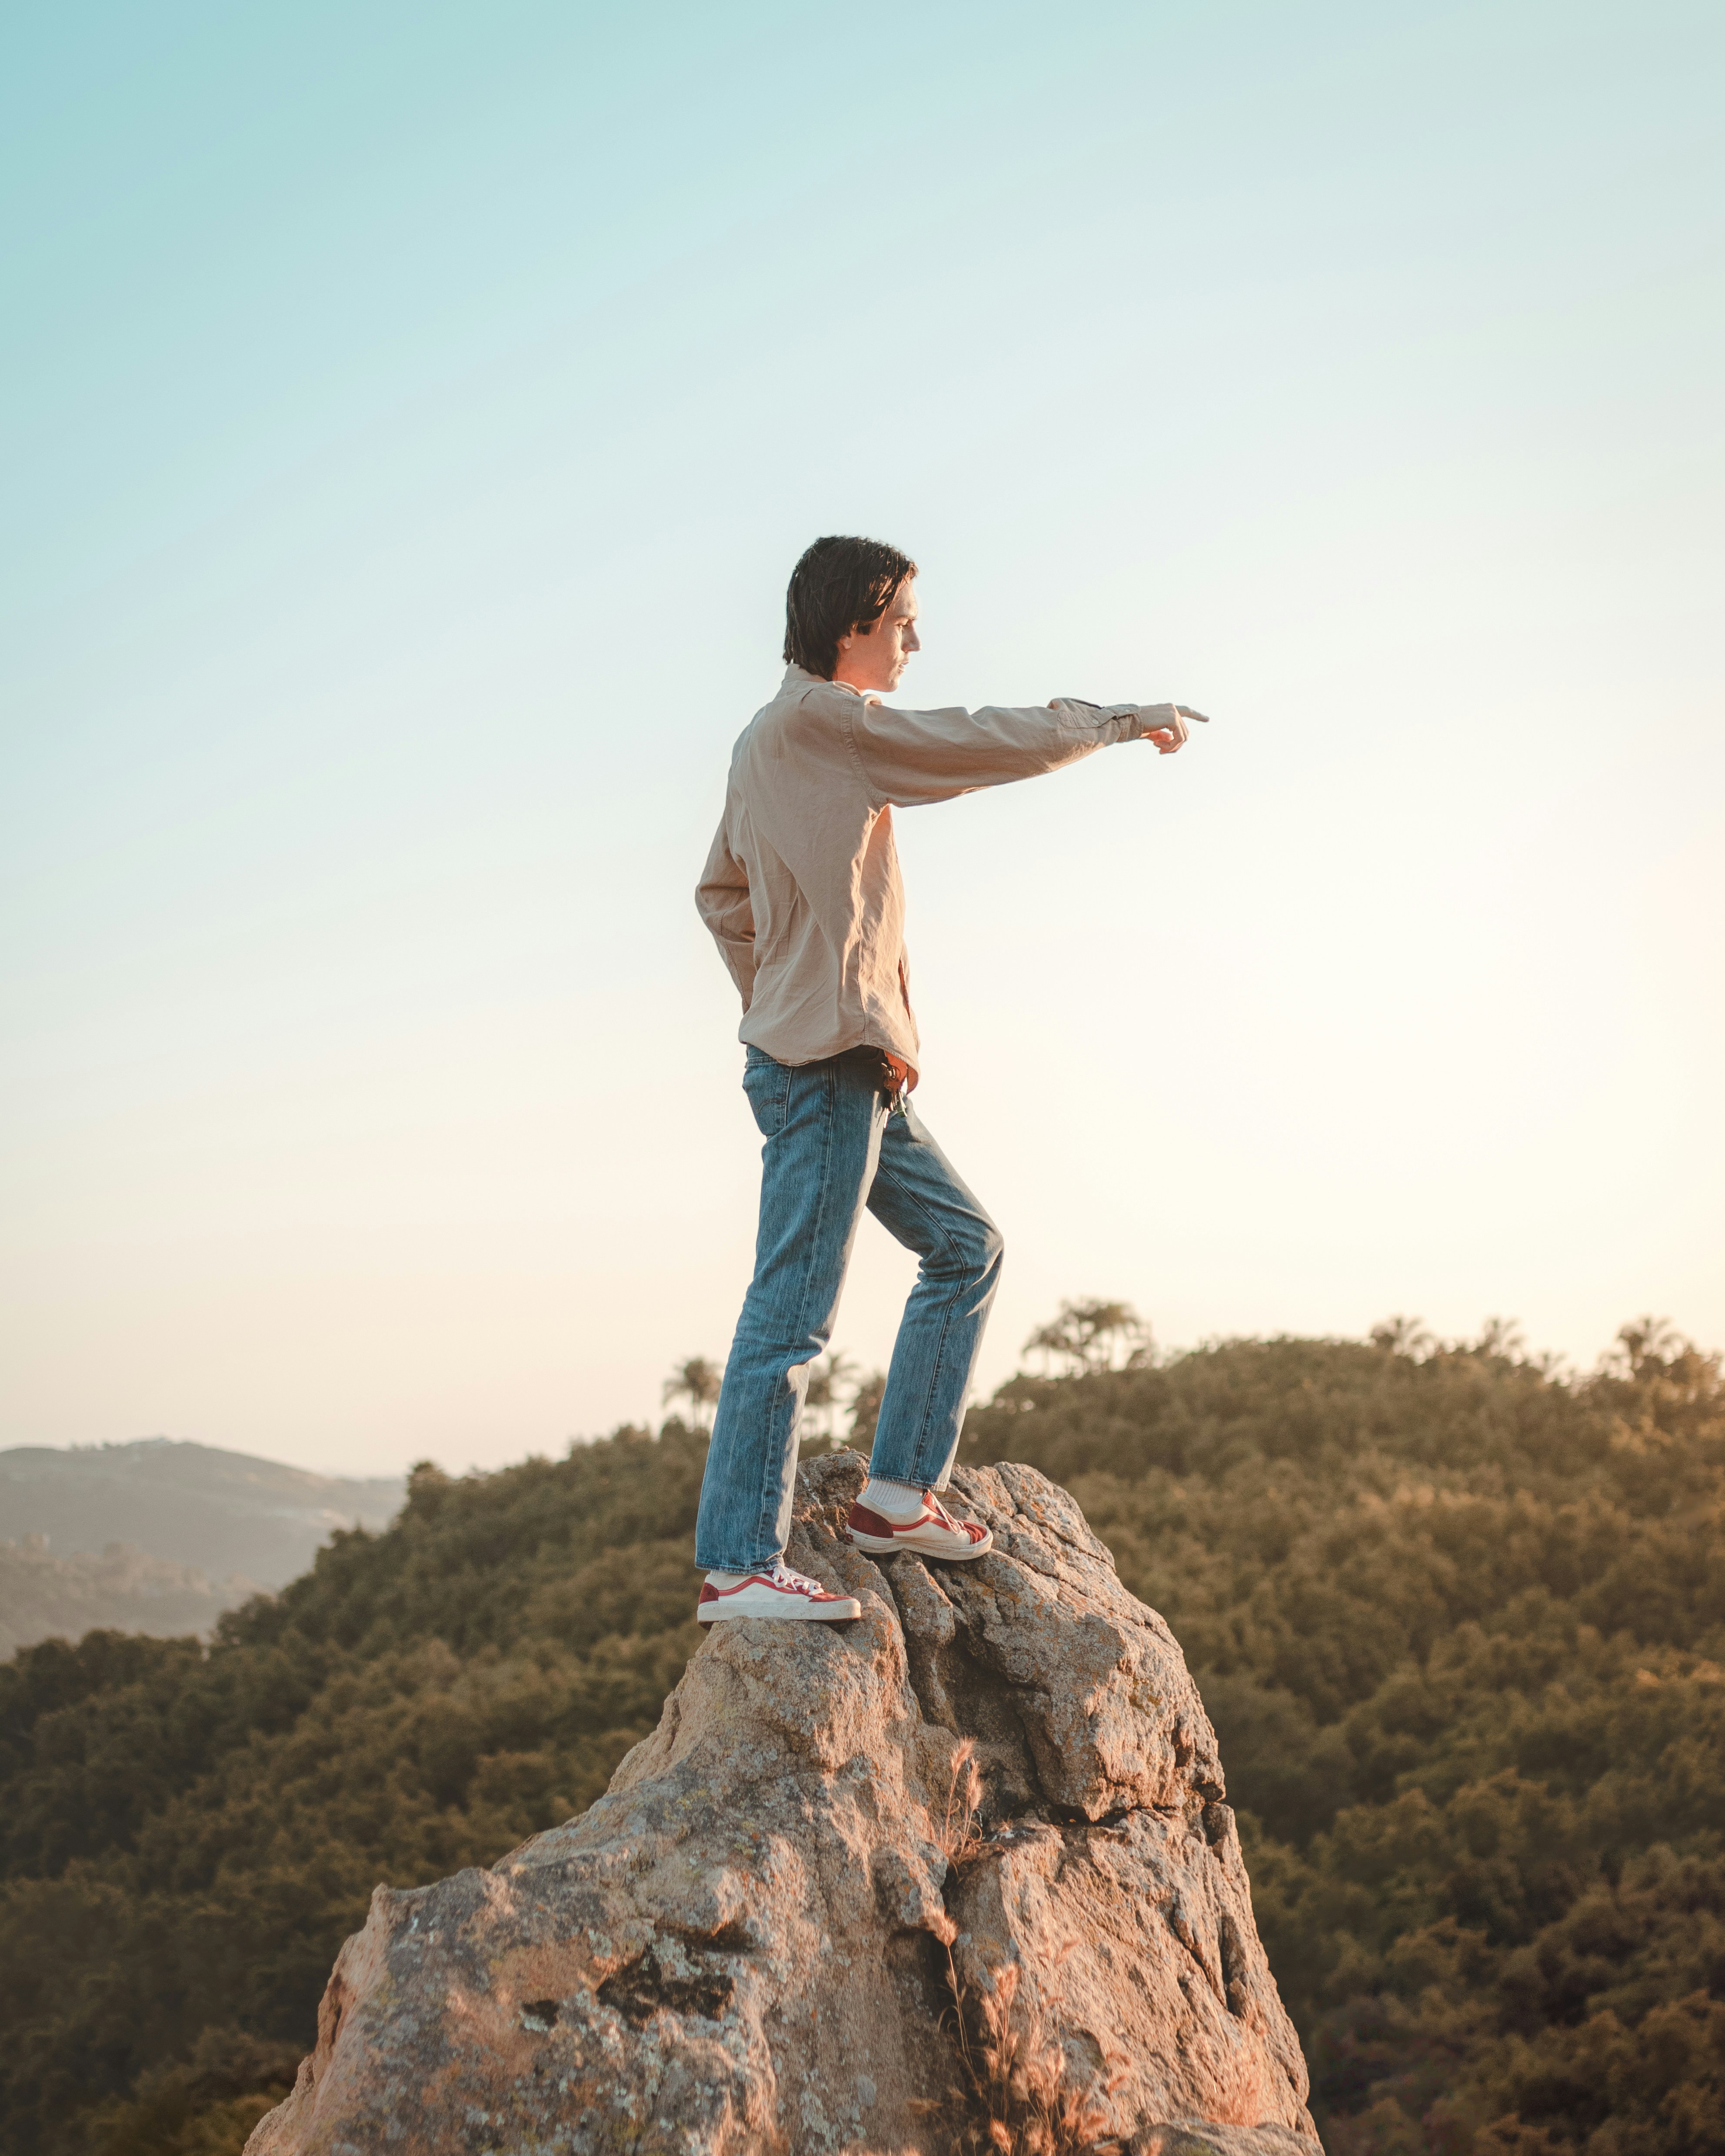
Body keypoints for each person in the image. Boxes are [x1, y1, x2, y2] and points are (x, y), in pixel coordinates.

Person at [692, 536, 1205, 1624]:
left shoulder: (760, 737)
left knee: (967, 1246)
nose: (914, 643)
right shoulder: (827, 720)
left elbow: (720, 897)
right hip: (828, 1062)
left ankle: (892, 1497)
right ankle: (739, 1563)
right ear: (851, 623)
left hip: (844, 1058)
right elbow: (980, 740)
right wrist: (1119, 721)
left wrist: (780, 994)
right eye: (902, 623)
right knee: (790, 1314)